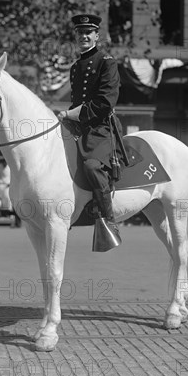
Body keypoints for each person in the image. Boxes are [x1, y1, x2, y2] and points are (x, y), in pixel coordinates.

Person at [57, 14, 123, 244]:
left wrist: (71, 114)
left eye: (88, 32)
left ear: (96, 35)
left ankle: (109, 221)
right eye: (80, 32)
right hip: (78, 126)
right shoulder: (75, 67)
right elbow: (76, 101)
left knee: (92, 166)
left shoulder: (107, 61)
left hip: (100, 128)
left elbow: (105, 102)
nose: (84, 36)